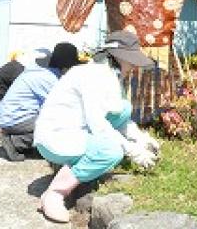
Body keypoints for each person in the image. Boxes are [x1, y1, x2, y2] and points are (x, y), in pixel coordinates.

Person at [34, 30, 160, 224]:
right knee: (110, 151)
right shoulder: (95, 75)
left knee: (123, 107)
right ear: (116, 57)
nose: (134, 65)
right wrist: (133, 151)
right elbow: (99, 125)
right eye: (131, 60)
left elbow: (117, 116)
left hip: (76, 131)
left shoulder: (108, 74)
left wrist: (141, 138)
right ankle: (55, 193)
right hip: (56, 138)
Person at [0, 42, 81, 162]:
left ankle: (17, 138)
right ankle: (15, 142)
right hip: (16, 118)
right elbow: (60, 106)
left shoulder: (43, 71)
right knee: (58, 125)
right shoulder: (48, 79)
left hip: (12, 115)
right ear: (66, 67)